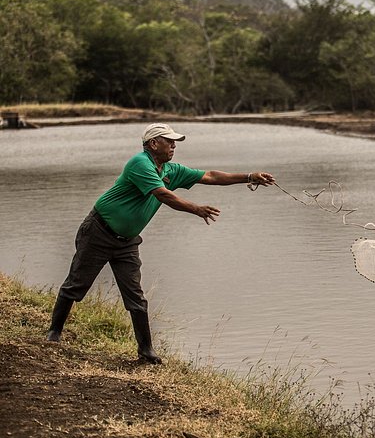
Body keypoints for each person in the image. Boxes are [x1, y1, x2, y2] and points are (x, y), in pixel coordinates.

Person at [45, 122, 275, 364]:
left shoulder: (170, 170)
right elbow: (162, 194)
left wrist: (249, 176)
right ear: (154, 144)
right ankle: (54, 334)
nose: (174, 145)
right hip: (98, 232)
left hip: (127, 242)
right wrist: (196, 209)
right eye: (169, 141)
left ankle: (146, 351)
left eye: (175, 142)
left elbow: (209, 175)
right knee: (76, 284)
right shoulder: (140, 164)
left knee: (136, 297)